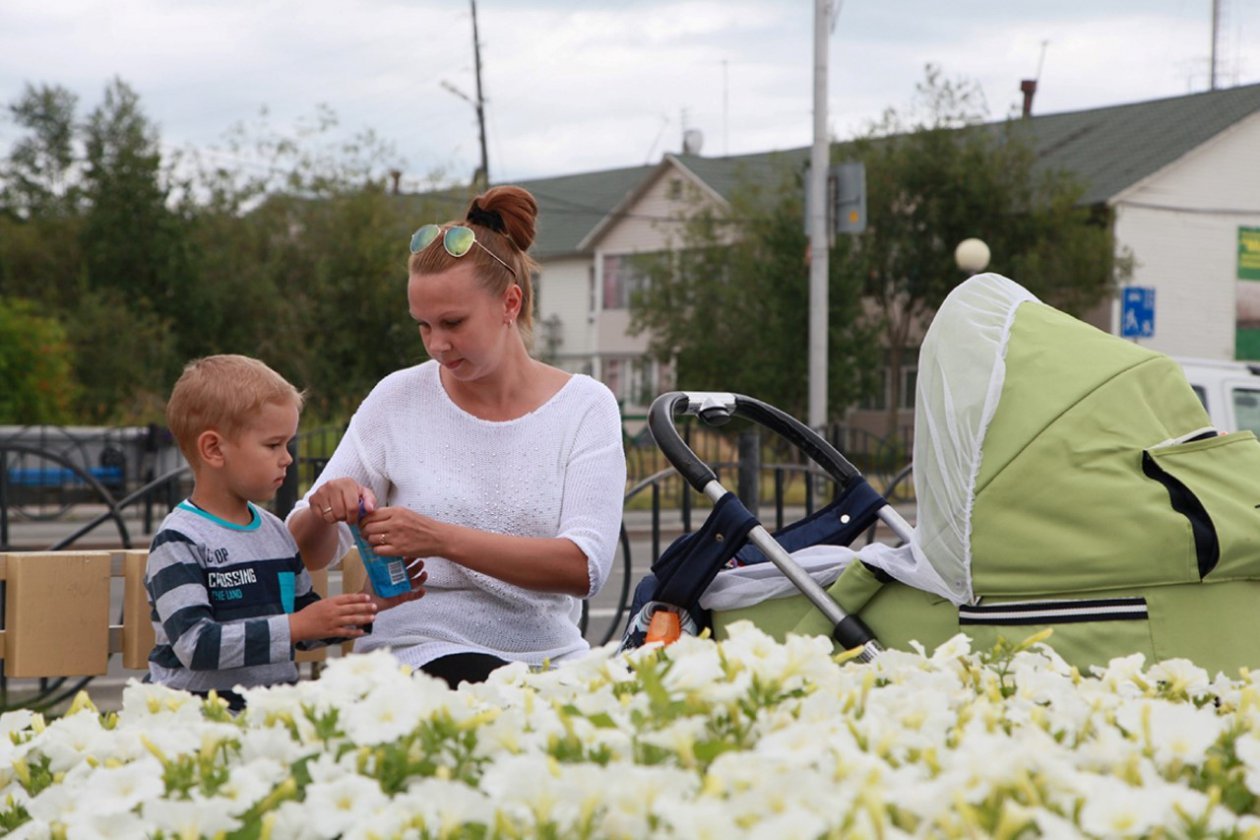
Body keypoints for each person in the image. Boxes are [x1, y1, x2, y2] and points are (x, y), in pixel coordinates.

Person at [287, 185, 627, 689]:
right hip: (418, 654)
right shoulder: (397, 398)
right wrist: (322, 509)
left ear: (510, 303)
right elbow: (307, 552)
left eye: (453, 323)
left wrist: (439, 539)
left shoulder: (586, 406)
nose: (437, 345)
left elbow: (583, 567)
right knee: (499, 701)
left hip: (552, 660)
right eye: (423, 326)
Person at [146, 354, 426, 711]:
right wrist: (294, 626)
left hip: (269, 715)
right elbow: (196, 645)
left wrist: (367, 606)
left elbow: (305, 621)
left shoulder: (276, 532)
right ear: (214, 449)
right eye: (273, 445)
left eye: (288, 444)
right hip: (193, 720)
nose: (287, 458)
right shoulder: (180, 540)